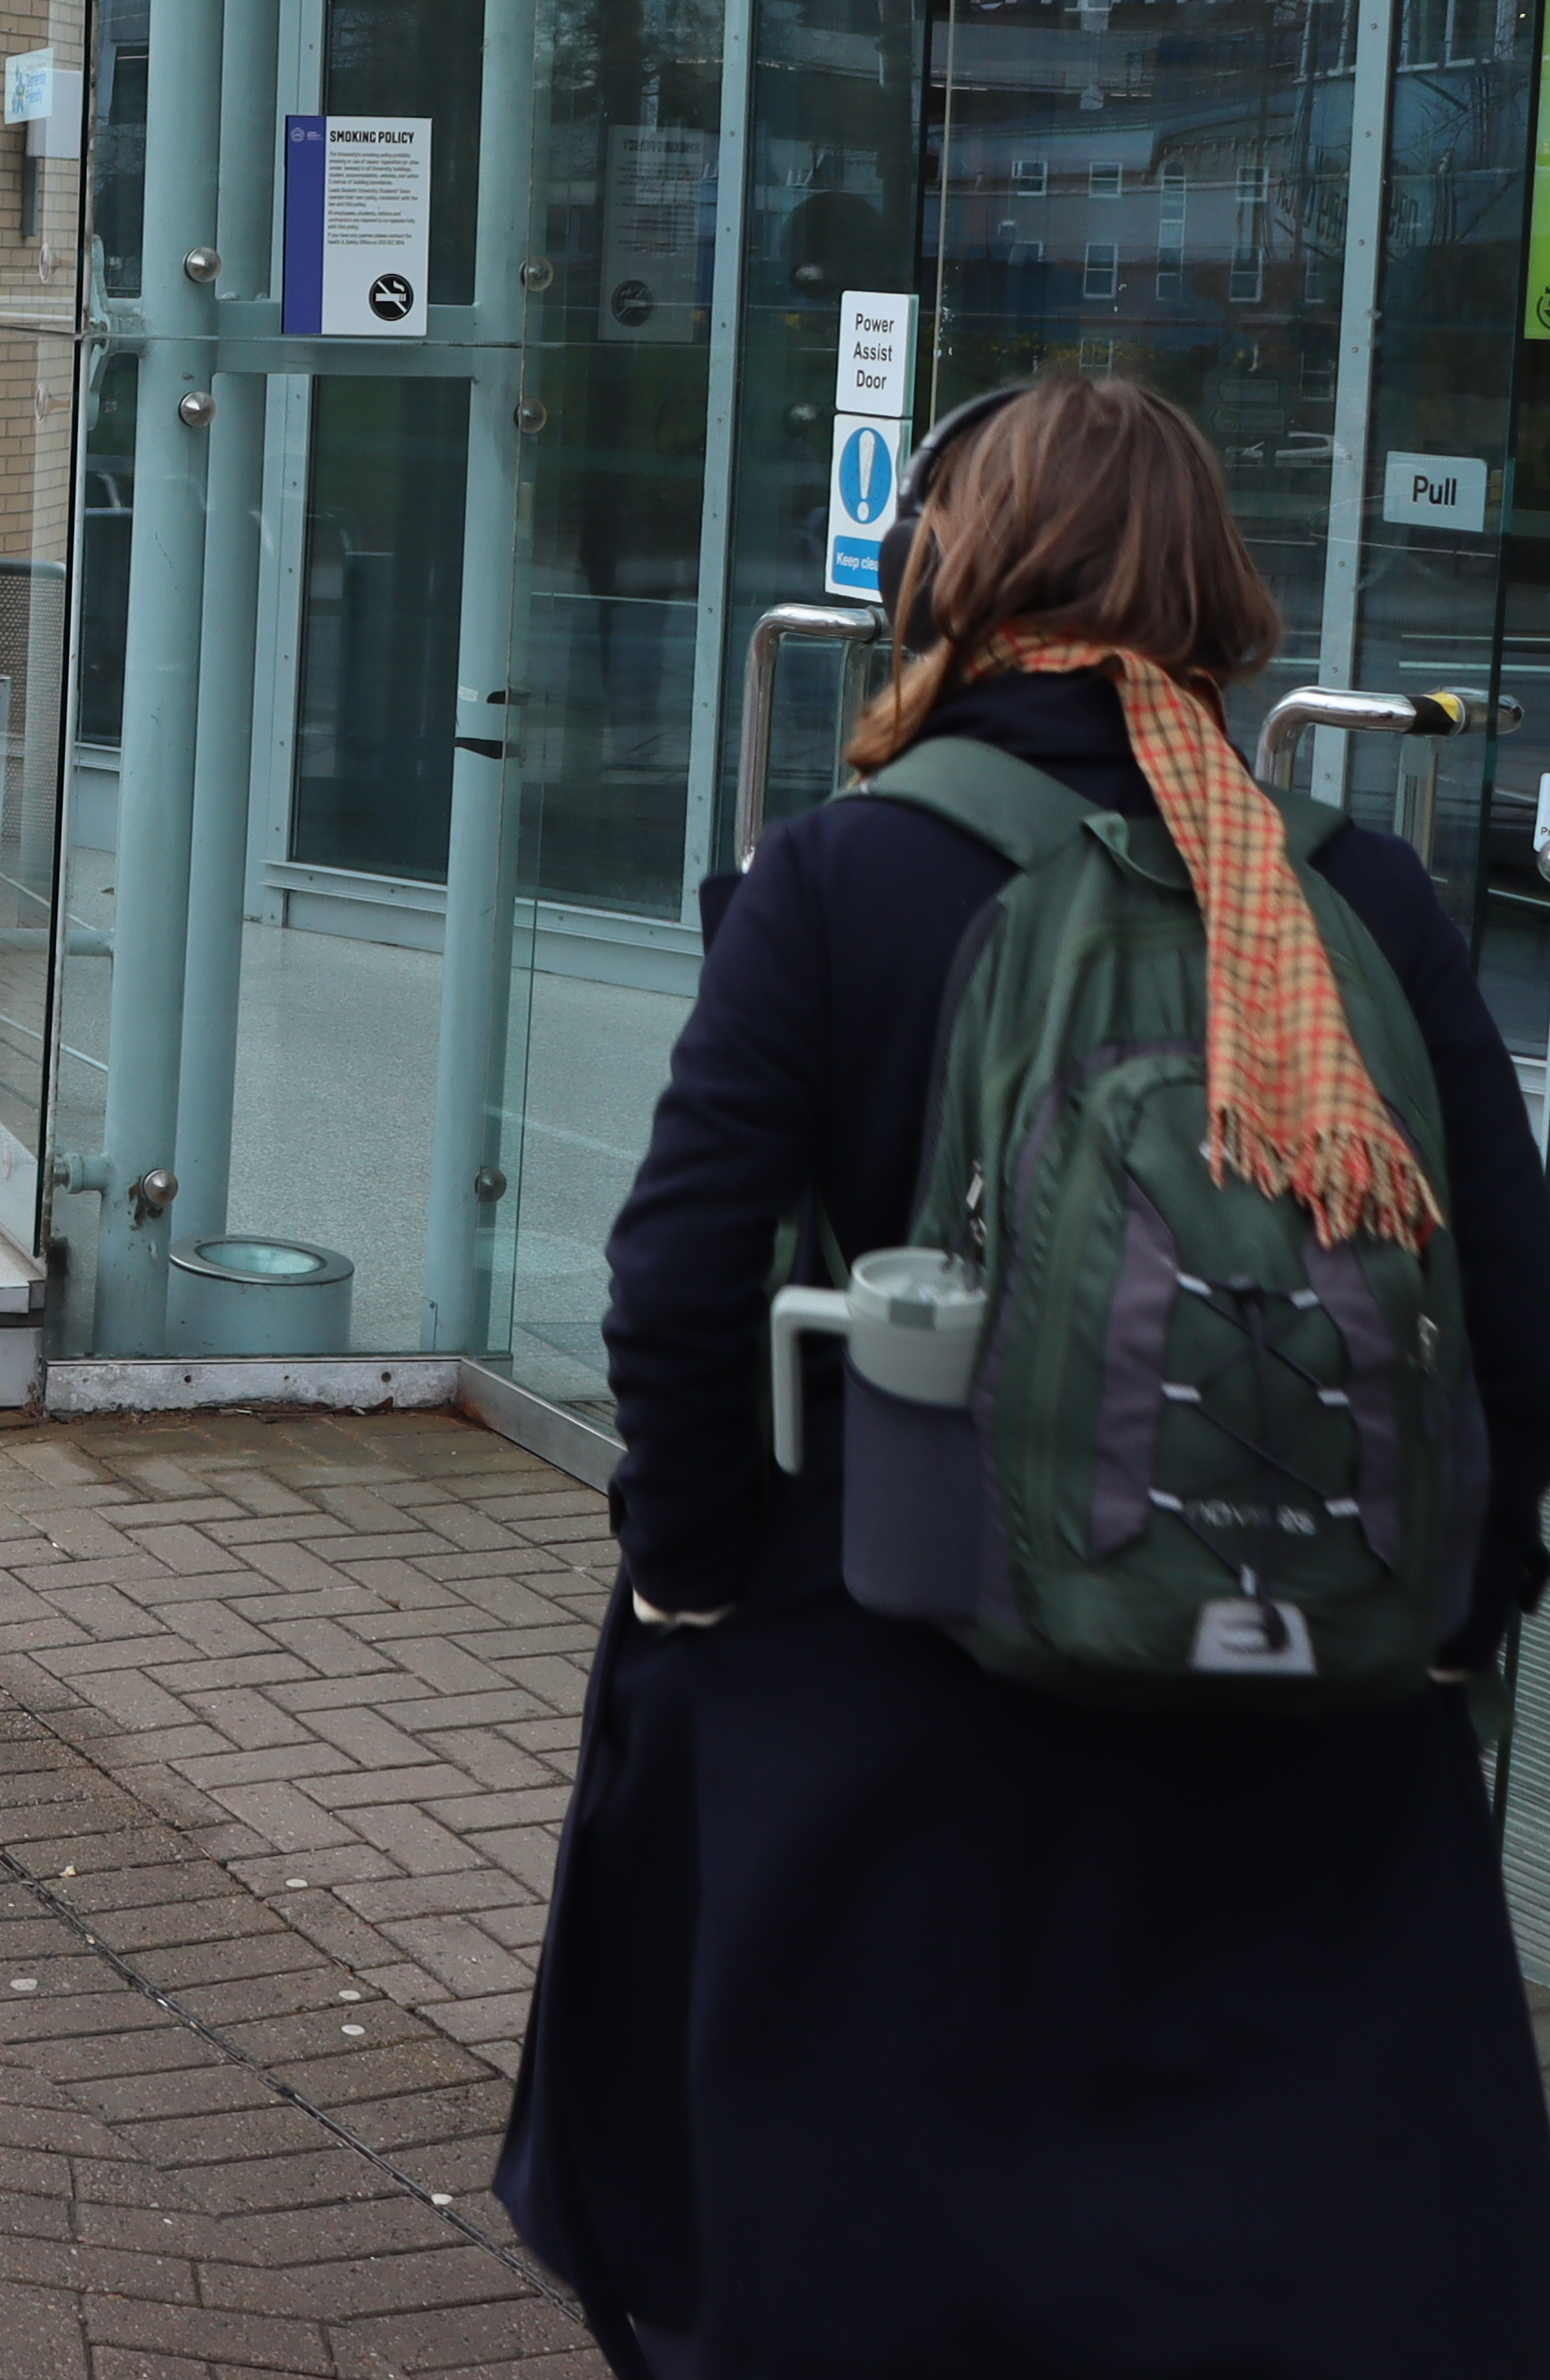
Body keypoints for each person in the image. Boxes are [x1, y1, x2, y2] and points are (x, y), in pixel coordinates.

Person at [500, 375, 1550, 2375]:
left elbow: (681, 1282)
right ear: (1213, 590)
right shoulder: (1359, 896)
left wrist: (704, 1573)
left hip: (906, 1667)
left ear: (948, 577)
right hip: (1300, 1694)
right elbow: (1511, 1301)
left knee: (870, 2242)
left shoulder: (843, 873)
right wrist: (1448, 1619)